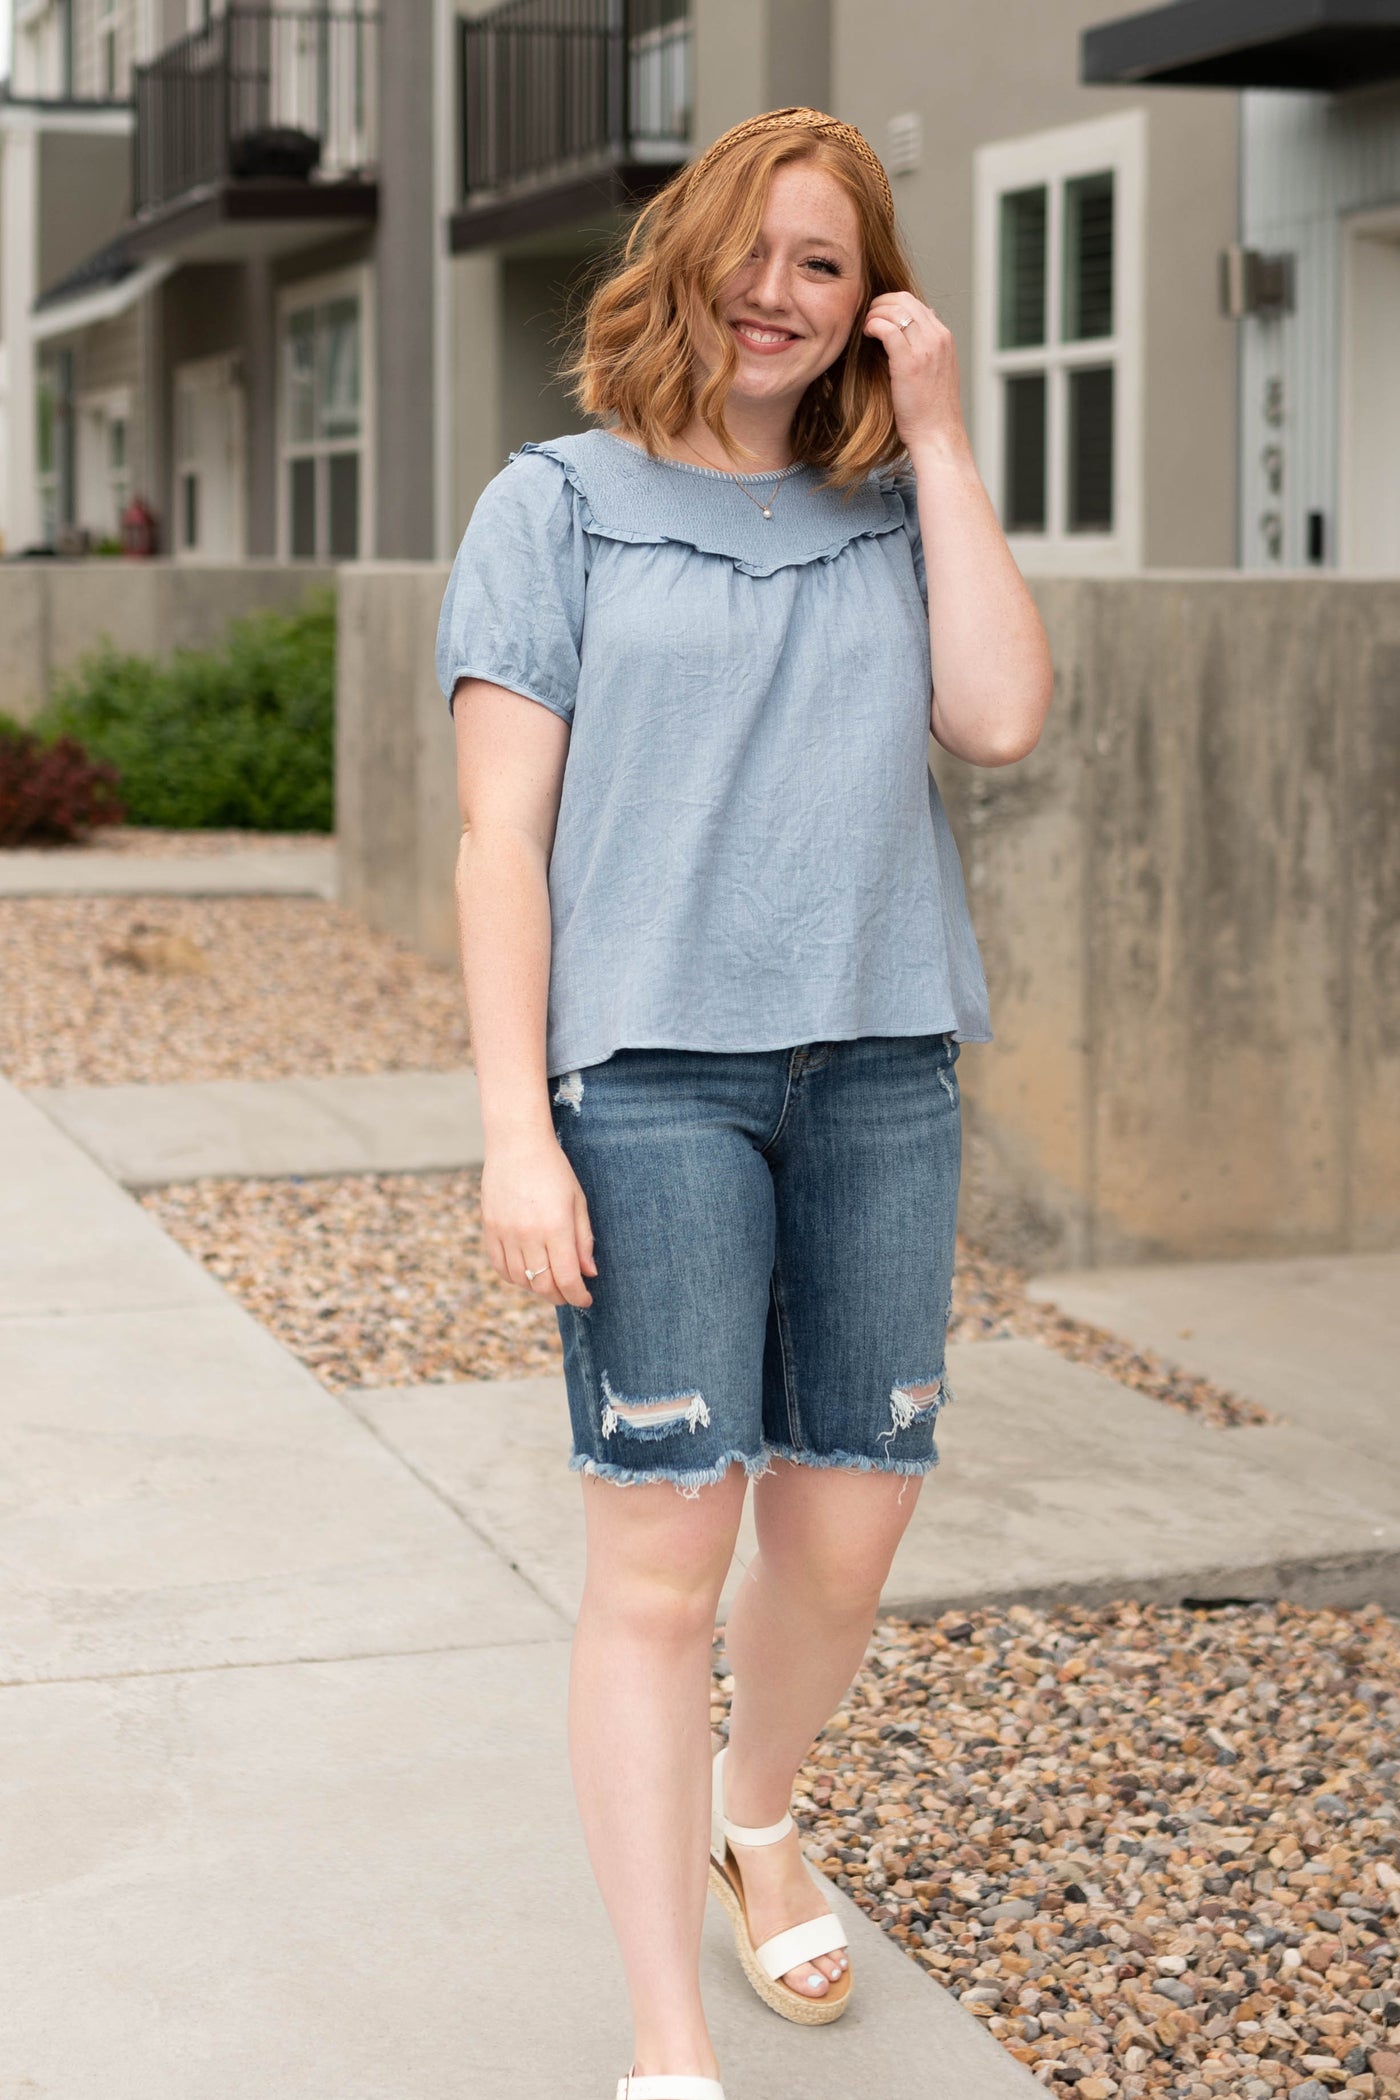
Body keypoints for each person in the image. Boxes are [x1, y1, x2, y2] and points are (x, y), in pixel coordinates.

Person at [436, 104, 1053, 2100]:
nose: (775, 294)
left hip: (879, 1070)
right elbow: (494, 841)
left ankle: (753, 1807)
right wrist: (517, 1128)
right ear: (685, 254)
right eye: (752, 249)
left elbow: (999, 716)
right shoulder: (556, 504)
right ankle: (663, 2043)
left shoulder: (896, 507)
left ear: (869, 302)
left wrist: (942, 436)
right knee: (658, 1567)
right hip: (648, 1091)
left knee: (849, 1539)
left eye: (824, 263)